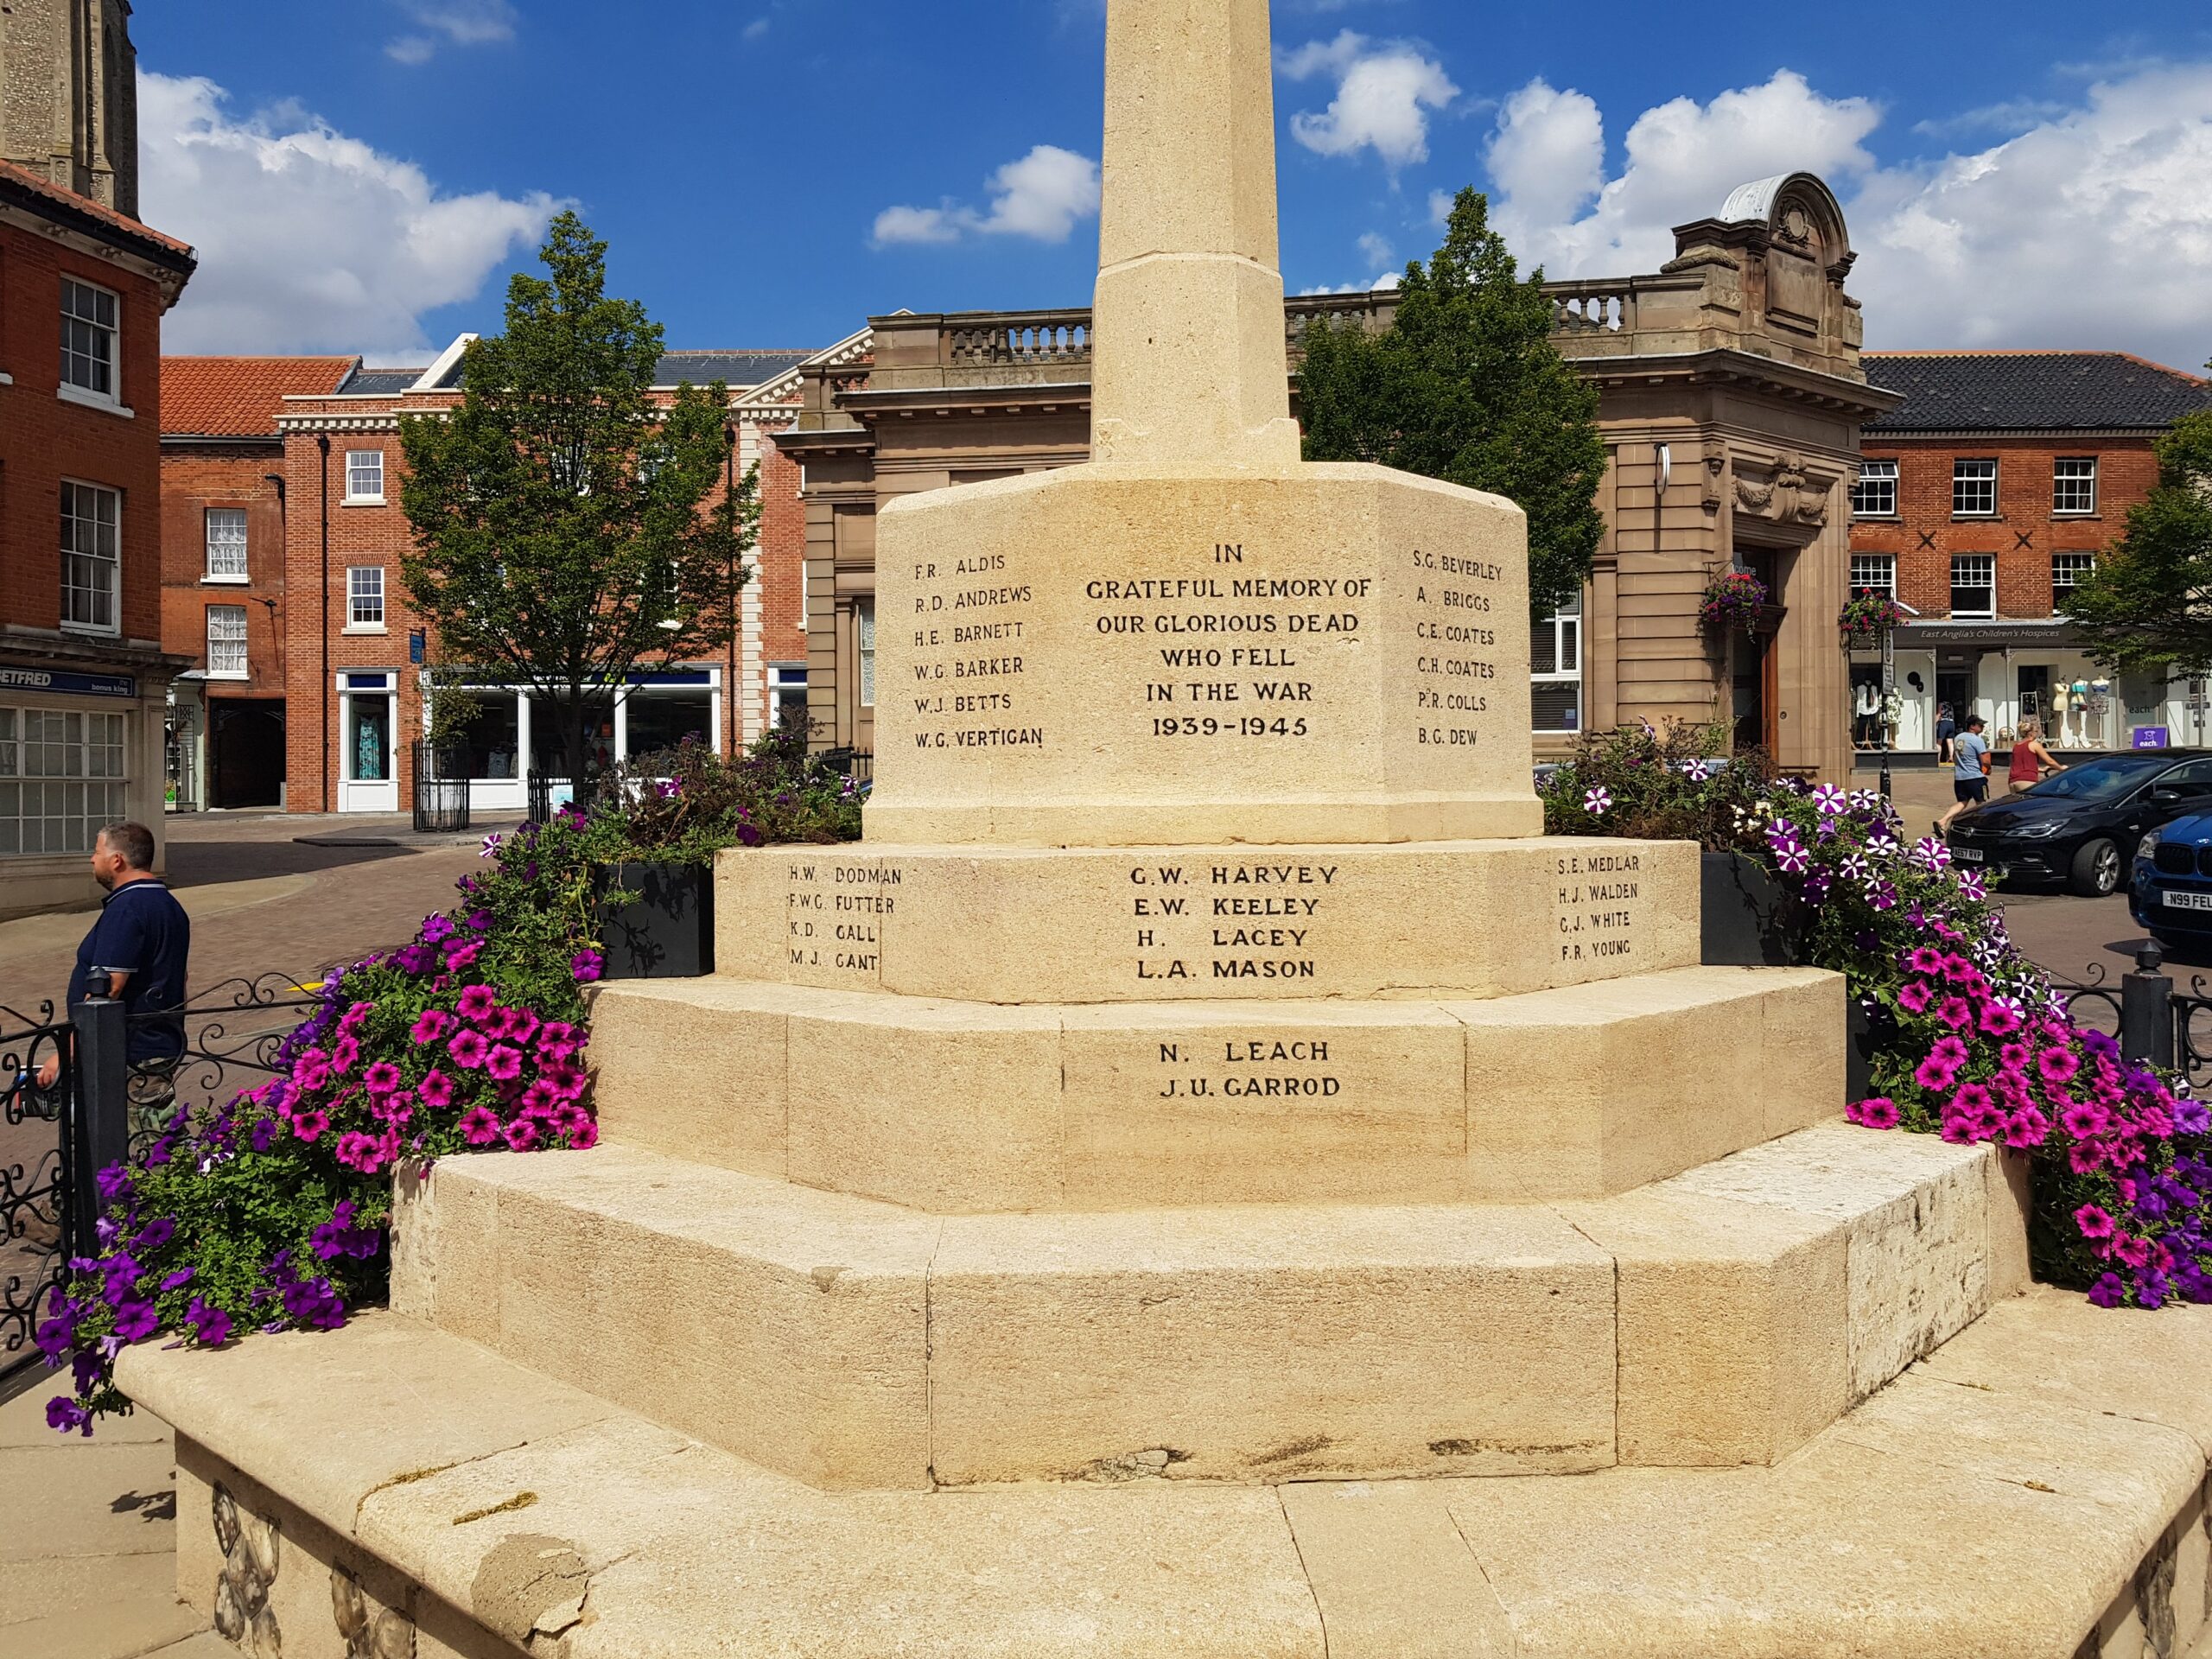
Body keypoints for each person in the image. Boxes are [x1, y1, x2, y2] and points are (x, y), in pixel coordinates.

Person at [34, 823, 190, 1089]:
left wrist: (66, 1053)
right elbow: (181, 978)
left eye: (97, 852)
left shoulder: (127, 908)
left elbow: (106, 989)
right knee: (155, 1129)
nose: (92, 859)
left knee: (140, 1129)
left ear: (117, 860)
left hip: (131, 1056)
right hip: (158, 1043)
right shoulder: (168, 904)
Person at [1937, 716, 1993, 834]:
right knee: (1983, 803)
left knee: (1962, 802)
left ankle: (1942, 821)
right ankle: (1981, 826)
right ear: (1972, 726)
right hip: (1975, 777)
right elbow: (1985, 760)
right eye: (1980, 725)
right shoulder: (1977, 740)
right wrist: (1988, 768)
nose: (1982, 727)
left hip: (1960, 777)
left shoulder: (1958, 738)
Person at [2006, 718, 2067, 795]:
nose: (2037, 733)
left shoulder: (2017, 746)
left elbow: (2020, 765)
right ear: (2030, 733)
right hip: (2027, 780)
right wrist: (2061, 768)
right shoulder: (2034, 744)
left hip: (2012, 781)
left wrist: (2041, 769)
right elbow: (2049, 761)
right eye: (2036, 731)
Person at [1934, 703, 1957, 767]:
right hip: (1951, 723)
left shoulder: (1941, 704)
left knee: (1939, 742)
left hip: (1943, 723)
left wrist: (1933, 723)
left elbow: (1939, 714)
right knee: (1950, 742)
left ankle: (1938, 759)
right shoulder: (1950, 705)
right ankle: (1951, 757)